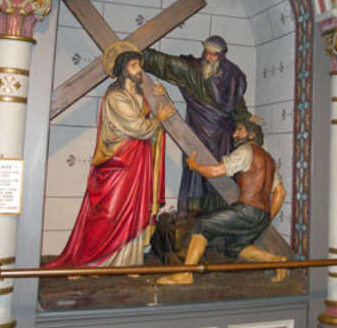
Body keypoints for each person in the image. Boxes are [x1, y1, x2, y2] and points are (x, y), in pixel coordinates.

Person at [46, 41, 174, 268]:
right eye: (135, 66)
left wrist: (161, 96)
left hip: (136, 164)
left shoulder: (138, 95)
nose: (139, 71)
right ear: (124, 68)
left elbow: (155, 117)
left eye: (139, 66)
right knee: (108, 214)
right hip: (118, 165)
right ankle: (92, 261)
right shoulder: (115, 96)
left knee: (133, 212)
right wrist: (158, 118)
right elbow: (139, 127)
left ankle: (127, 263)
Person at [157, 120, 287, 285]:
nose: (234, 135)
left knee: (201, 225)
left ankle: (186, 274)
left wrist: (194, 166)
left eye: (239, 130)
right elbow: (280, 193)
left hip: (246, 210)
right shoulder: (269, 159)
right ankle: (276, 260)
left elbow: (216, 171)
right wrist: (267, 219)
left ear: (252, 134)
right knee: (234, 248)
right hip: (260, 216)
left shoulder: (246, 151)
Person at [142, 35, 254, 216]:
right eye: (207, 53)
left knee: (221, 175)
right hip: (198, 133)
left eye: (214, 55)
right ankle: (194, 216)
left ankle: (220, 216)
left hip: (223, 134)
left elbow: (237, 102)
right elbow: (167, 64)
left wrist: (245, 119)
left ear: (222, 55)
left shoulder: (233, 75)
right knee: (196, 174)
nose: (208, 58)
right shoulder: (193, 70)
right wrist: (140, 56)